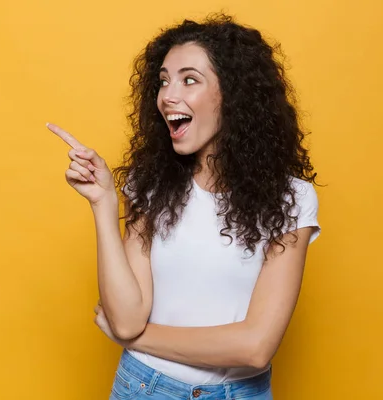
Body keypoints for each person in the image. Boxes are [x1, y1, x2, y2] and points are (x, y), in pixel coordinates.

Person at [47, 12, 321, 400]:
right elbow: (126, 318)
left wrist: (141, 339)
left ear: (234, 94)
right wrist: (104, 203)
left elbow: (256, 348)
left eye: (189, 79)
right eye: (163, 81)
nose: (167, 96)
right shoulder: (152, 184)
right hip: (142, 388)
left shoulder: (290, 200)